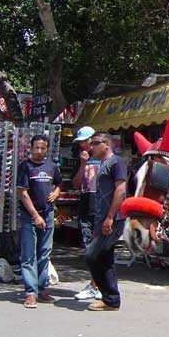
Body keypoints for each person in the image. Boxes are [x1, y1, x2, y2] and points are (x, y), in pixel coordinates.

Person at [17, 134, 62, 309]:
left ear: (47, 149)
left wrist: (57, 192)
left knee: (44, 253)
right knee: (29, 254)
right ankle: (30, 292)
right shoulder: (25, 166)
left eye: (43, 148)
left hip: (48, 214)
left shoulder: (52, 166)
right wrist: (35, 215)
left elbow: (58, 184)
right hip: (30, 216)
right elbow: (23, 193)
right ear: (31, 148)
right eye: (36, 147)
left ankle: (43, 289)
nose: (39, 151)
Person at [84, 133, 127, 311]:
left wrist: (110, 217)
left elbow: (121, 189)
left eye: (94, 143)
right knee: (105, 258)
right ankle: (111, 300)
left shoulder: (116, 162)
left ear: (106, 144)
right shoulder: (103, 164)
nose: (91, 147)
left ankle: (109, 297)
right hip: (102, 218)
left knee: (91, 256)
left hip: (113, 219)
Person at [71, 126, 103, 301]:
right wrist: (83, 164)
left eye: (86, 141)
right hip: (86, 207)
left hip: (101, 208)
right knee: (90, 248)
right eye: (81, 142)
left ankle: (97, 285)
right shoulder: (82, 159)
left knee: (100, 249)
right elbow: (76, 184)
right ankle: (95, 284)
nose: (84, 145)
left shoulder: (106, 159)